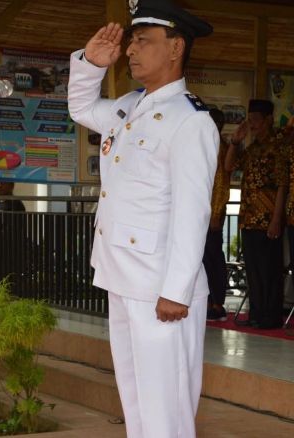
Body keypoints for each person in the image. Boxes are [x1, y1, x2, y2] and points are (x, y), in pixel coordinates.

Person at [67, 1, 218, 436]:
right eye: (131, 41)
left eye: (143, 41)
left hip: (160, 288)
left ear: (176, 48)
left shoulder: (190, 121)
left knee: (164, 406)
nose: (132, 50)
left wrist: (176, 291)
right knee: (135, 400)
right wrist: (90, 66)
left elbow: (193, 213)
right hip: (122, 277)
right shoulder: (129, 107)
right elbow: (81, 109)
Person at [225, 99, 288, 329]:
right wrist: (235, 142)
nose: (252, 124)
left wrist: (276, 219)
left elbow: (283, 184)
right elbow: (229, 166)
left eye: (256, 120)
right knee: (253, 269)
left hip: (268, 219)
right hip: (248, 218)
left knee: (270, 270)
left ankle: (270, 317)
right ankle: (257, 313)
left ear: (268, 120)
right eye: (249, 120)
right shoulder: (252, 148)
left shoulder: (278, 146)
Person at [204, 108, 231, 321]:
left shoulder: (220, 146)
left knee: (213, 259)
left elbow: (222, 183)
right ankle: (207, 301)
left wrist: (216, 213)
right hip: (200, 213)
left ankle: (218, 303)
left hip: (213, 214)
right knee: (201, 259)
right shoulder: (204, 144)